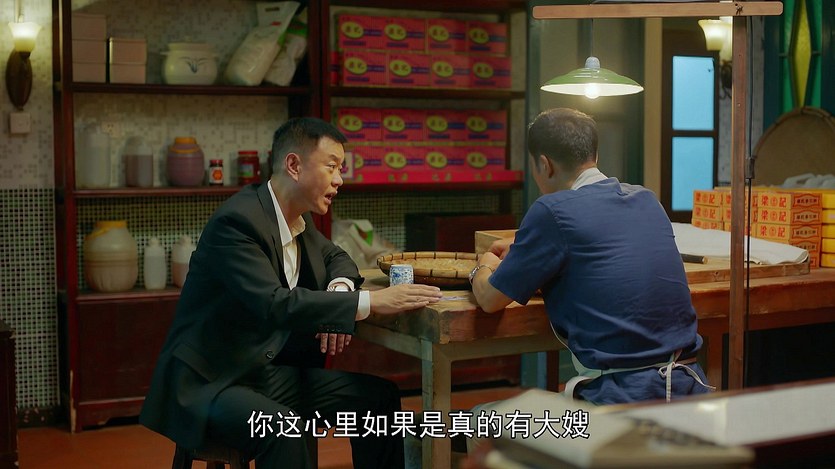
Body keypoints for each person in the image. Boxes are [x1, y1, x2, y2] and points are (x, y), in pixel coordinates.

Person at [139, 117, 443, 469]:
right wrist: (370, 301)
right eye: (331, 166)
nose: (340, 179)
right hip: (212, 382)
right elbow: (274, 303)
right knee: (286, 431)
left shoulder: (295, 218)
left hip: (262, 372)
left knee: (378, 399)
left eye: (341, 168)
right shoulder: (237, 223)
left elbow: (337, 257)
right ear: (294, 165)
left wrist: (339, 291)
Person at [469, 108, 712, 404]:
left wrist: (484, 265)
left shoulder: (551, 210)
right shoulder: (647, 199)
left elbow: (489, 299)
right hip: (688, 388)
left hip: (619, 399)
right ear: (594, 155)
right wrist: (527, 248)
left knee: (481, 419)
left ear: (544, 164)